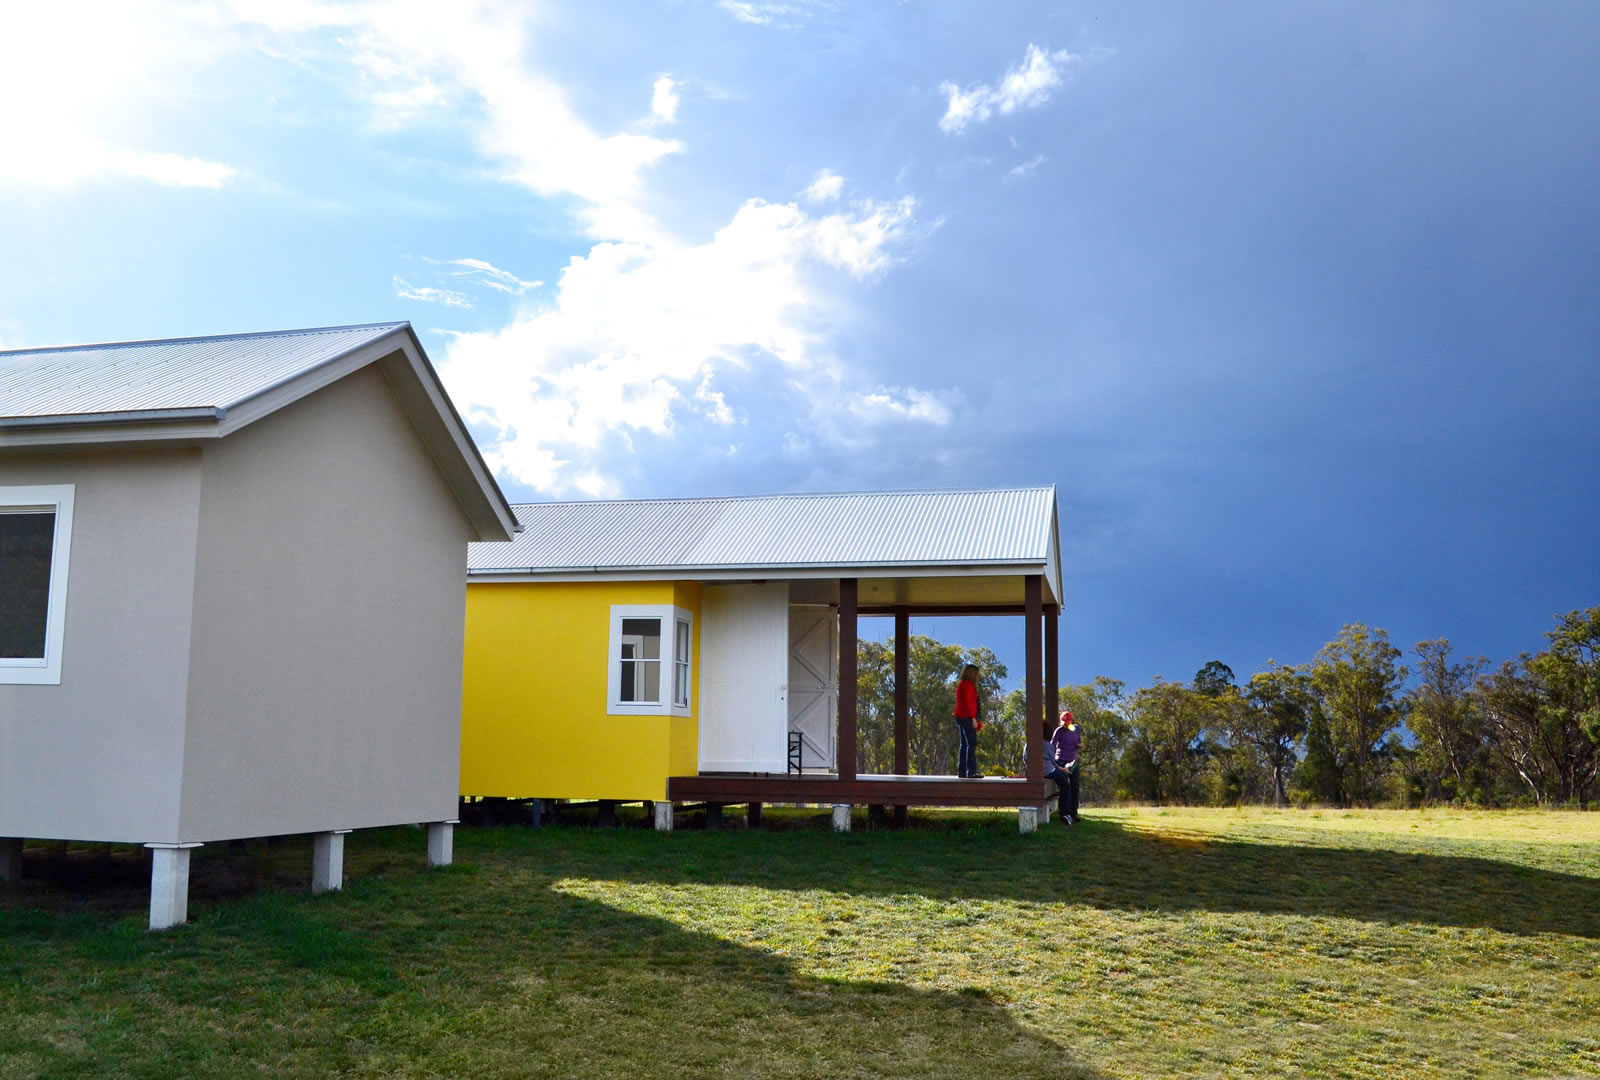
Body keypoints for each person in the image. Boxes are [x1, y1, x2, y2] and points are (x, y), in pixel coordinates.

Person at [1050, 710, 1082, 824]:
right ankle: (1064, 814)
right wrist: (1054, 763)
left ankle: (1074, 814)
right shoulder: (1059, 731)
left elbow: (1078, 742)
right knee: (1065, 787)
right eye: (1064, 722)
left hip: (1073, 761)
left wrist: (1079, 746)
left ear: (1072, 720)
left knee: (1075, 787)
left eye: (1068, 721)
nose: (1066, 724)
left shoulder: (1077, 729)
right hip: (1061, 761)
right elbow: (1051, 746)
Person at [952, 663, 981, 778]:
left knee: (963, 745)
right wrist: (973, 719)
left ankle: (962, 772)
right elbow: (969, 703)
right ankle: (971, 771)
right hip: (966, 717)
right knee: (971, 744)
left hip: (960, 716)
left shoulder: (961, 684)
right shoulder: (968, 685)